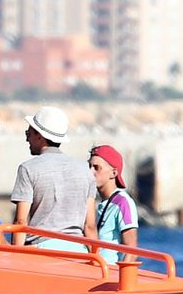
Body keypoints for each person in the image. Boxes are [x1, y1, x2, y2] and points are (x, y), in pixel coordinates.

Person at [10, 105, 93, 251]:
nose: (27, 139)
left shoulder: (28, 169)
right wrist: (95, 260)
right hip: (79, 251)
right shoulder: (85, 170)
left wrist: (14, 256)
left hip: (42, 249)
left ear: (39, 136)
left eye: (28, 133)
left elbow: (20, 221)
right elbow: (90, 226)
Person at [89, 144, 139, 265]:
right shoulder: (101, 202)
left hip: (109, 274)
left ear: (114, 173)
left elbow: (131, 249)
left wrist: (120, 278)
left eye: (96, 168)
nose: (90, 172)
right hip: (96, 271)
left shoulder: (123, 202)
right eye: (89, 166)